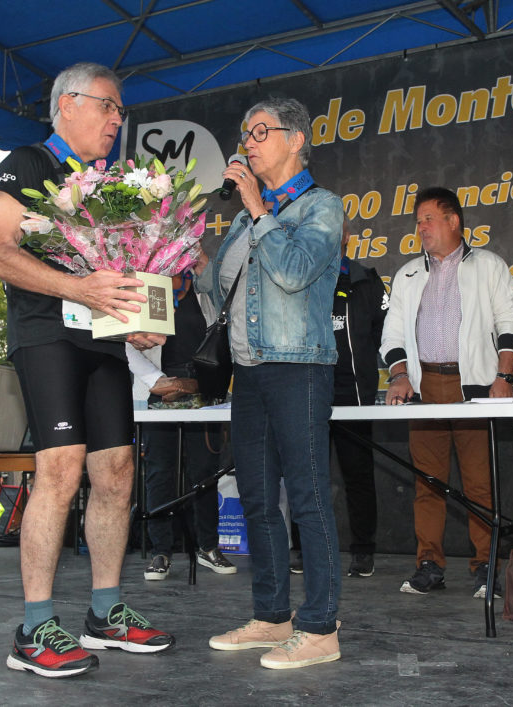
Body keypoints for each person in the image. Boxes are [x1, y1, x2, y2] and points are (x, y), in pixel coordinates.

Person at [0, 62, 173, 679]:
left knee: (117, 471)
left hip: (102, 342)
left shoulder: (114, 184)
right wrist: (82, 289)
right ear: (67, 104)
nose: (118, 120)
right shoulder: (29, 162)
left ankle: (105, 611)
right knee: (60, 469)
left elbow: (124, 272)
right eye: (109, 107)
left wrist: (138, 316)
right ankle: (34, 627)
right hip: (46, 337)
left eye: (121, 111)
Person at [197, 97, 344, 670]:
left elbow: (294, 270)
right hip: (249, 373)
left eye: (261, 132)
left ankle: (320, 629)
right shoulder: (240, 218)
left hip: (298, 367)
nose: (248, 143)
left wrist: (260, 210)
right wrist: (185, 256)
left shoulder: (322, 206)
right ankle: (272, 615)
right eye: (244, 133)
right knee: (258, 498)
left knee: (307, 497)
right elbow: (215, 290)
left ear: (296, 139)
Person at [380, 187, 513, 598]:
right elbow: (392, 332)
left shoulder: (488, 265)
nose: (420, 227)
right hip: (424, 388)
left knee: (479, 484)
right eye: (418, 220)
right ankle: (429, 566)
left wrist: (504, 376)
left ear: (453, 220)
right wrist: (400, 375)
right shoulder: (408, 274)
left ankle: (486, 567)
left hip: (474, 387)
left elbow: (510, 318)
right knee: (428, 483)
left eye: (428, 218)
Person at [290, 218, 387, 578]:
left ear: (345, 237)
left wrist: (362, 361)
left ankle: (363, 551)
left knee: (358, 474)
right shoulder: (300, 280)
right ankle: (301, 549)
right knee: (305, 474)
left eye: (336, 231)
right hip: (309, 389)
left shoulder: (366, 280)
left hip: (354, 393)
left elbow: (384, 331)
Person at [125, 271, 237, 580]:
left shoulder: (205, 293)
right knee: (160, 473)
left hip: (201, 390)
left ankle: (208, 547)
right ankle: (162, 551)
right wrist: (157, 382)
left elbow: (223, 343)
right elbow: (126, 345)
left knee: (204, 472)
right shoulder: (147, 292)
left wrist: (192, 385)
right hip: (158, 392)